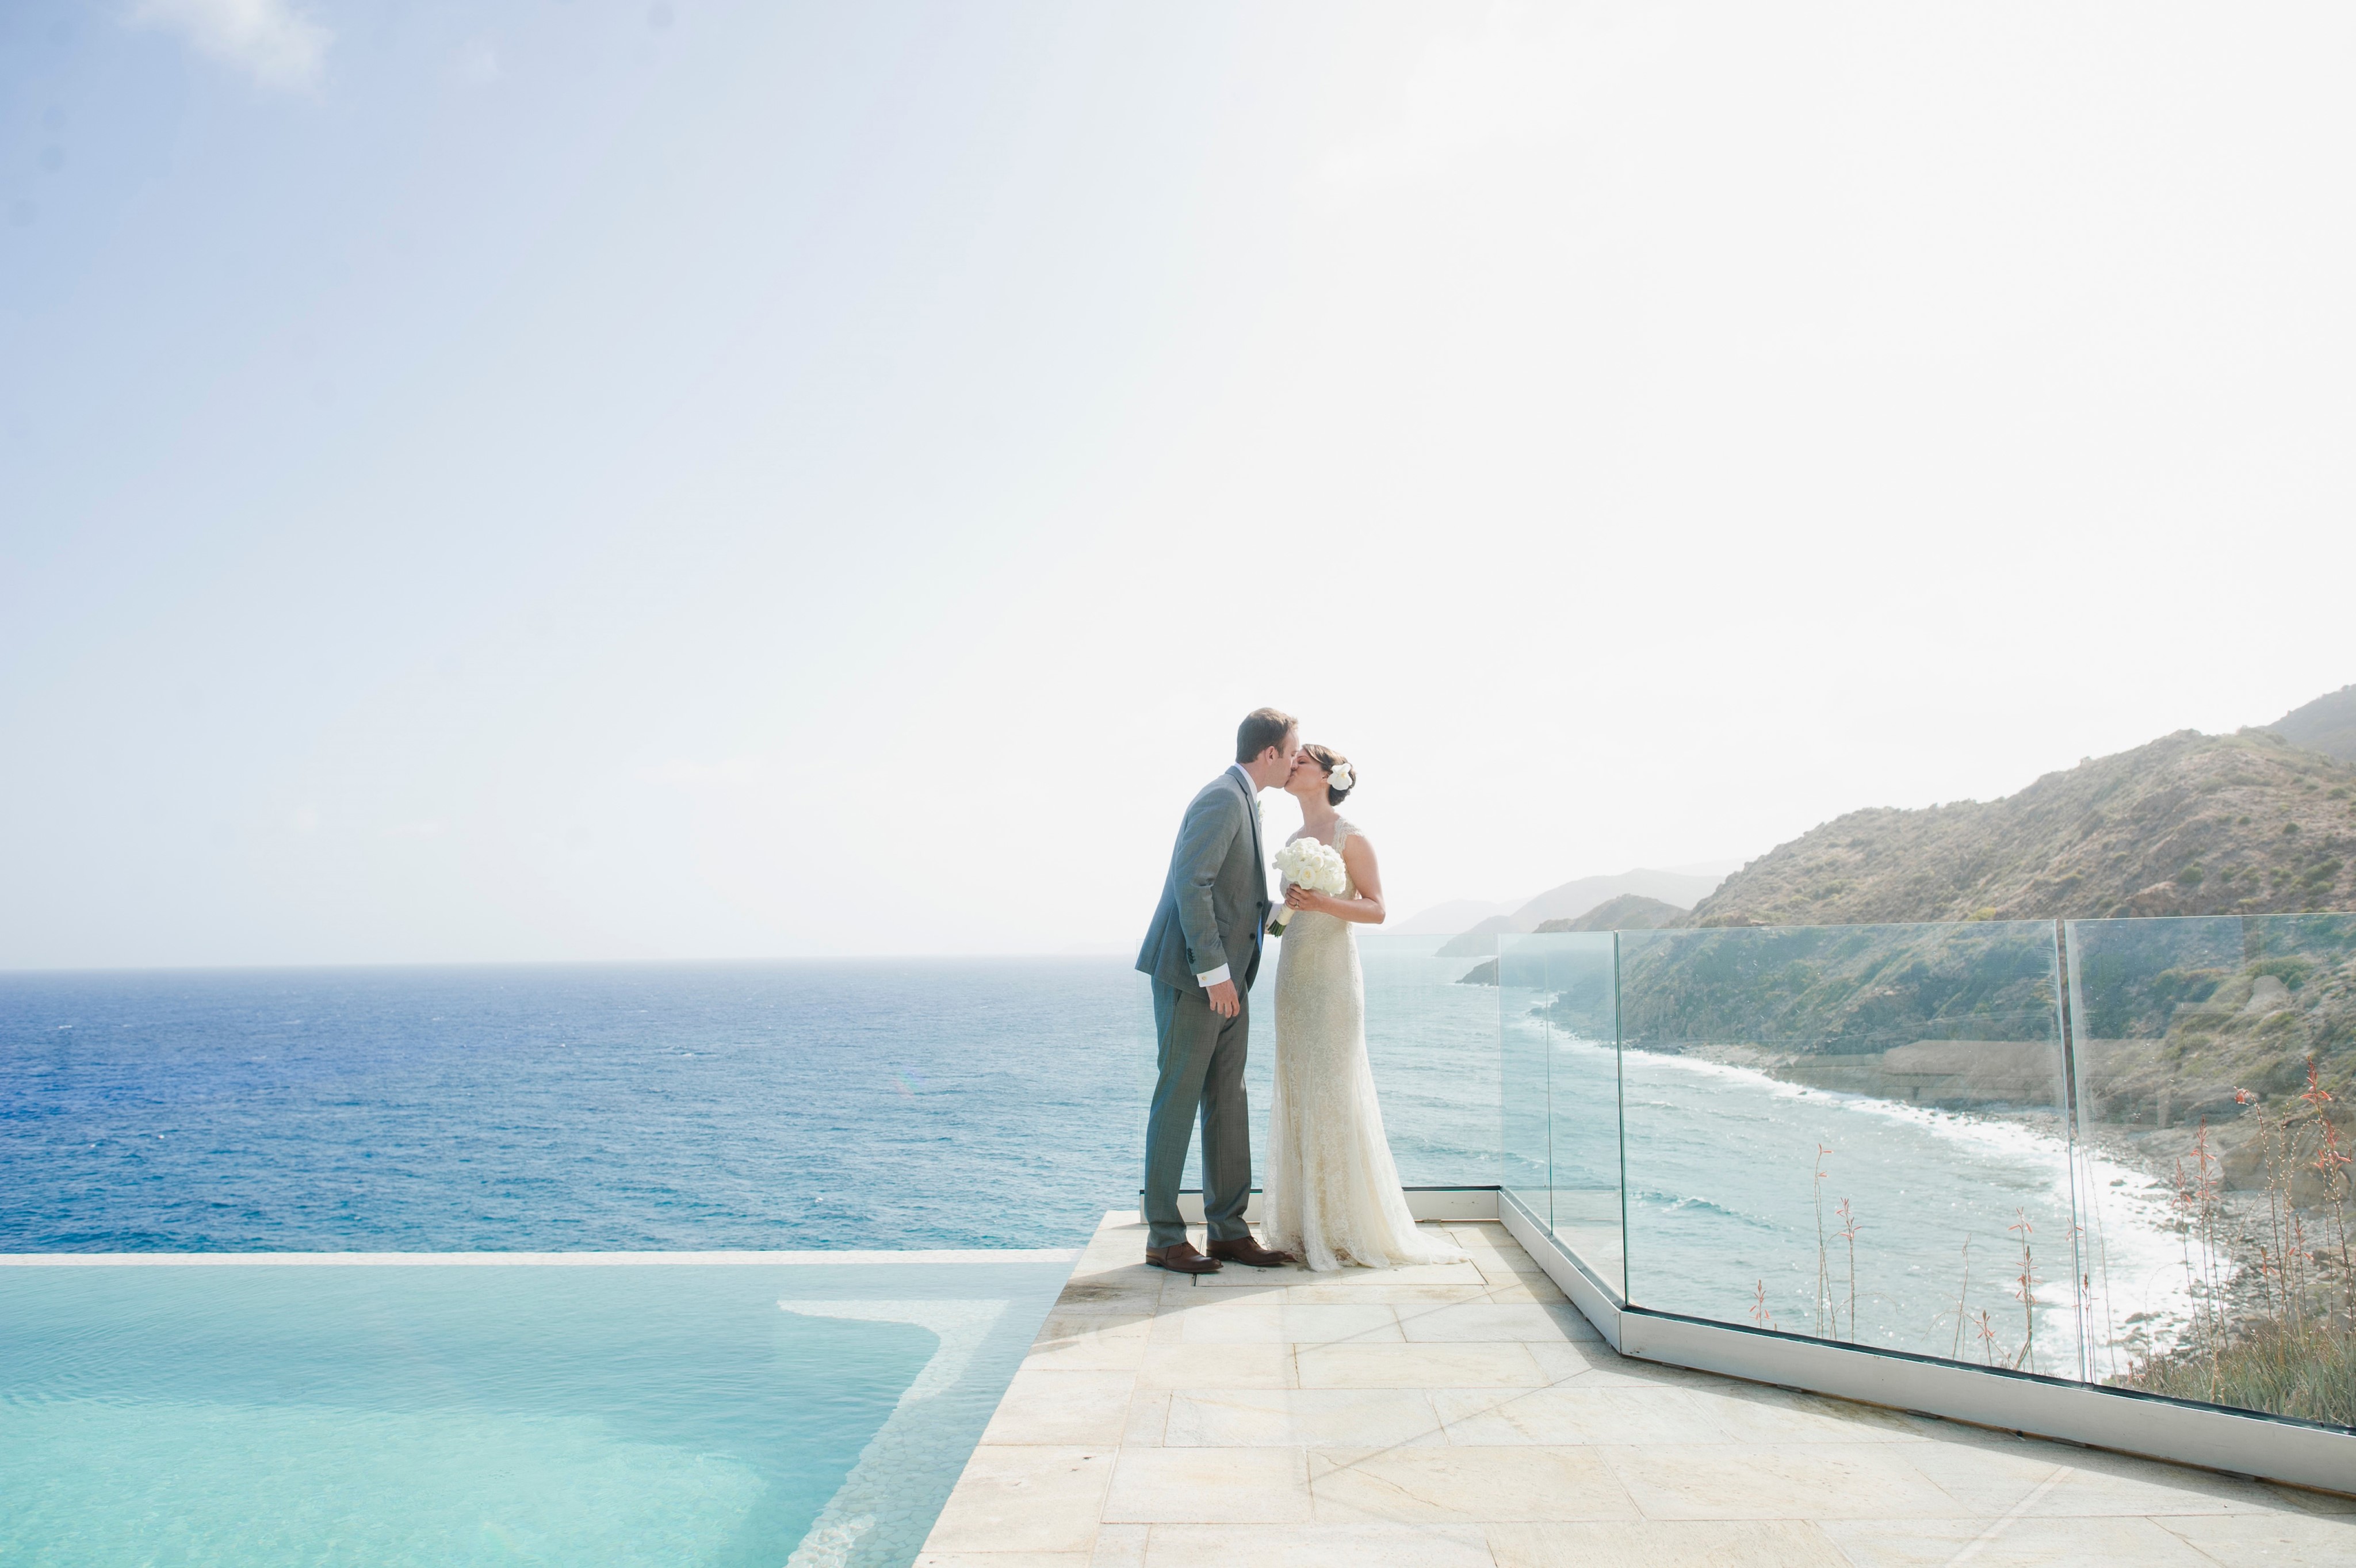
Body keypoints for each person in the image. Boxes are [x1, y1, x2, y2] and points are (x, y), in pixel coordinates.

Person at [1261, 744, 1467, 1271]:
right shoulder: (1291, 841)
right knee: (1297, 1085)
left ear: (1328, 776)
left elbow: (1377, 909)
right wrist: (1276, 920)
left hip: (1331, 981)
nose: (1292, 766)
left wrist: (1323, 903)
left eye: (1302, 761)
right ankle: (1303, 1223)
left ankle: (1342, 1227)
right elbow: (1290, 909)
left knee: (1332, 1089)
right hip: (1293, 975)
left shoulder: (1351, 836)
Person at [1133, 707, 1301, 1274]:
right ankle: (1162, 1235)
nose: (1297, 758)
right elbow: (1192, 880)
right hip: (1195, 978)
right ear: (1270, 752)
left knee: (1227, 1099)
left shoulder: (1245, 801)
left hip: (1229, 980)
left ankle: (1229, 1231)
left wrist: (1279, 914)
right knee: (1178, 1095)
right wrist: (1214, 973)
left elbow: (1234, 902)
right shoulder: (1222, 797)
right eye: (1292, 748)